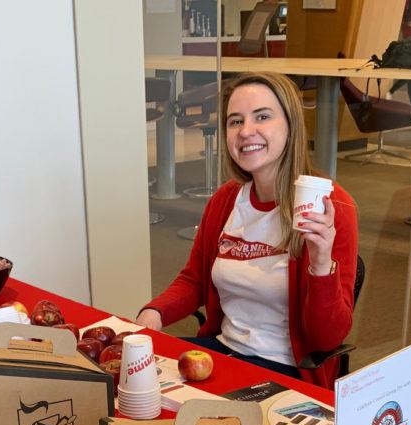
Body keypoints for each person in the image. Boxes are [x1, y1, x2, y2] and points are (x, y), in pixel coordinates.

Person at [136, 73, 357, 388]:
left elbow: (328, 338)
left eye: (262, 117)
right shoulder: (226, 200)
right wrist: (154, 313)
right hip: (222, 352)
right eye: (235, 121)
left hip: (285, 370)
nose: (246, 131)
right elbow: (195, 280)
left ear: (291, 125)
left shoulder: (330, 206)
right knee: (133, 388)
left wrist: (321, 265)